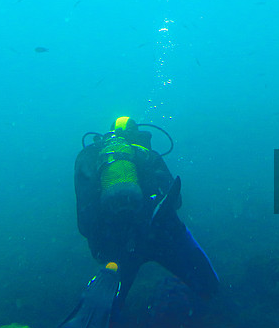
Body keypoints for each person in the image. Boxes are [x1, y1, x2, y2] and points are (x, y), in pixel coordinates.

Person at [74, 116, 219, 309]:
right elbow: (176, 201)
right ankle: (213, 303)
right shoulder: (148, 155)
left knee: (109, 303)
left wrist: (103, 243)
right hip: (161, 235)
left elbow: (85, 219)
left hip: (114, 243)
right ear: (136, 134)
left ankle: (103, 310)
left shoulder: (89, 156)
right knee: (210, 287)